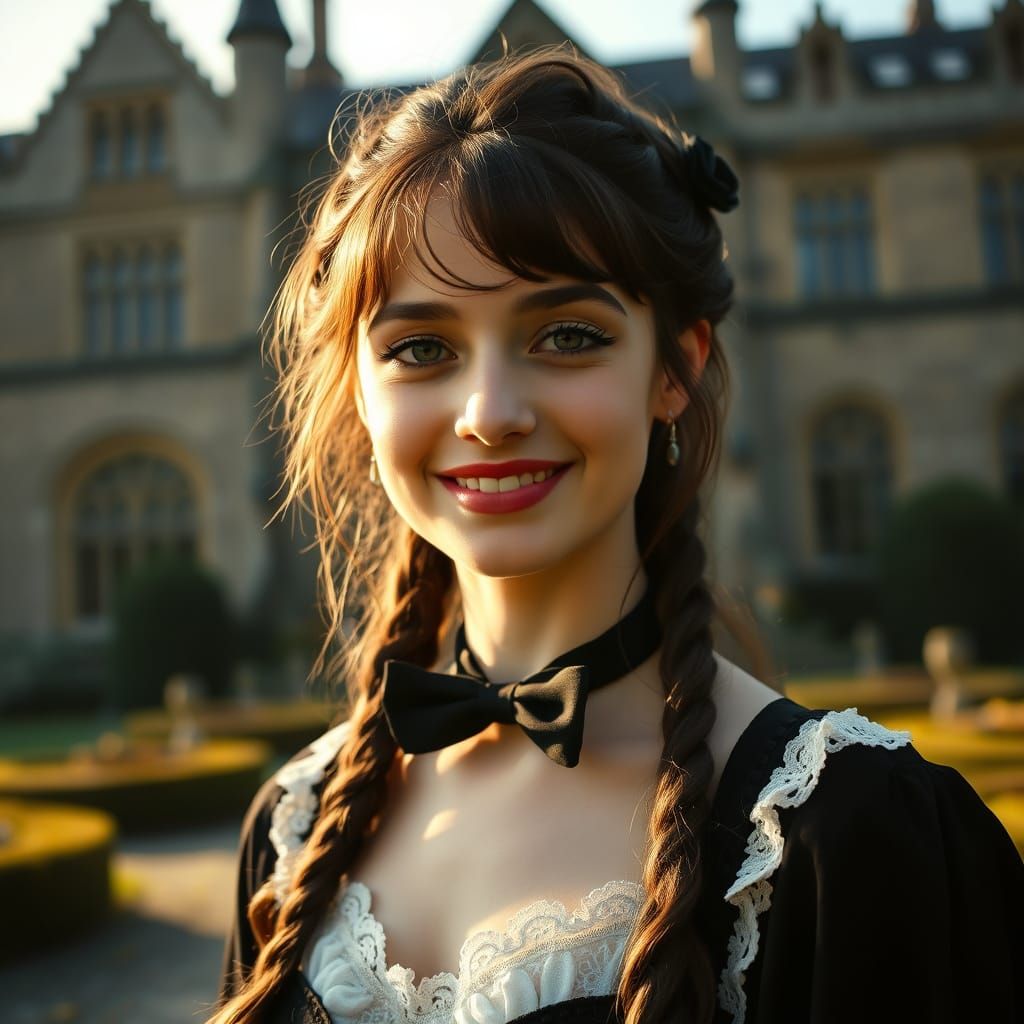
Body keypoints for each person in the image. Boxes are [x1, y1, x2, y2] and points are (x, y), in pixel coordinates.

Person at [209, 44, 1023, 1024]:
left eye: (566, 335)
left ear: (674, 367)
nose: (490, 412)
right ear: (359, 394)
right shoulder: (292, 827)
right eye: (421, 348)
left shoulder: (849, 833)